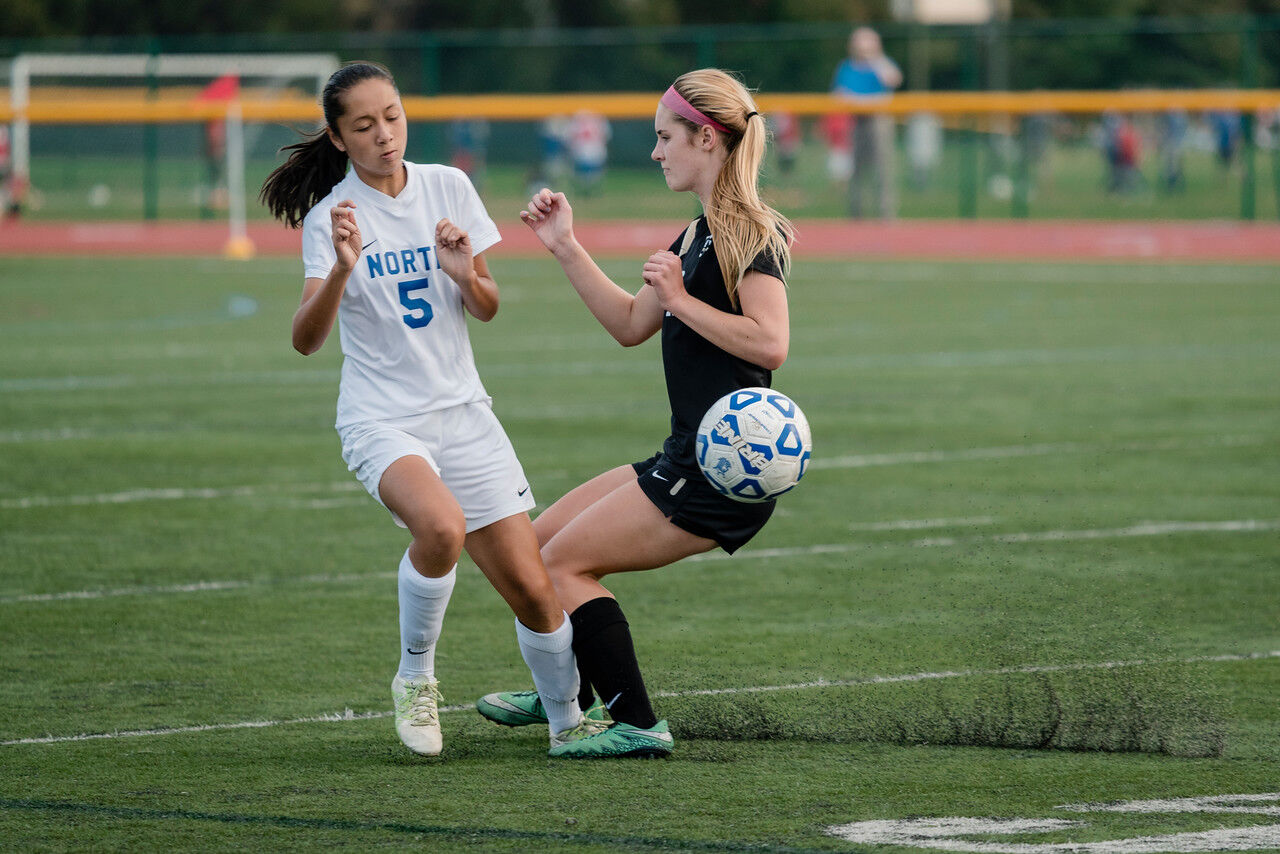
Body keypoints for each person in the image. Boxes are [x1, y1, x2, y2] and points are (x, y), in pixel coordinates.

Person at [258, 61, 602, 758]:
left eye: (392, 116)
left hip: (464, 414)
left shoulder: (448, 184)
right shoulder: (334, 218)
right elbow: (304, 339)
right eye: (364, 125)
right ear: (338, 136)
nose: (384, 134)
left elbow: (487, 305)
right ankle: (416, 675)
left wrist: (462, 272)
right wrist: (345, 271)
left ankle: (570, 723)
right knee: (441, 528)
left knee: (536, 594)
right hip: (382, 419)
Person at [474, 68, 793, 759]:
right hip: (685, 455)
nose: (656, 152)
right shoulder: (697, 233)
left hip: (719, 475)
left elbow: (772, 342)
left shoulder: (750, 234)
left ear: (706, 139)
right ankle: (567, 687)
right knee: (534, 547)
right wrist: (564, 244)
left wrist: (681, 300)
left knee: (561, 568)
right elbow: (628, 323)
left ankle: (638, 723)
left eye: (664, 137)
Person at [832, 26, 902, 219]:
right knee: (855, 170)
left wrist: (874, 56)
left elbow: (894, 79)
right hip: (856, 121)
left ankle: (886, 214)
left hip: (880, 120)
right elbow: (840, 95)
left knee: (883, 169)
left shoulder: (880, 64)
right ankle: (856, 215)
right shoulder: (846, 66)